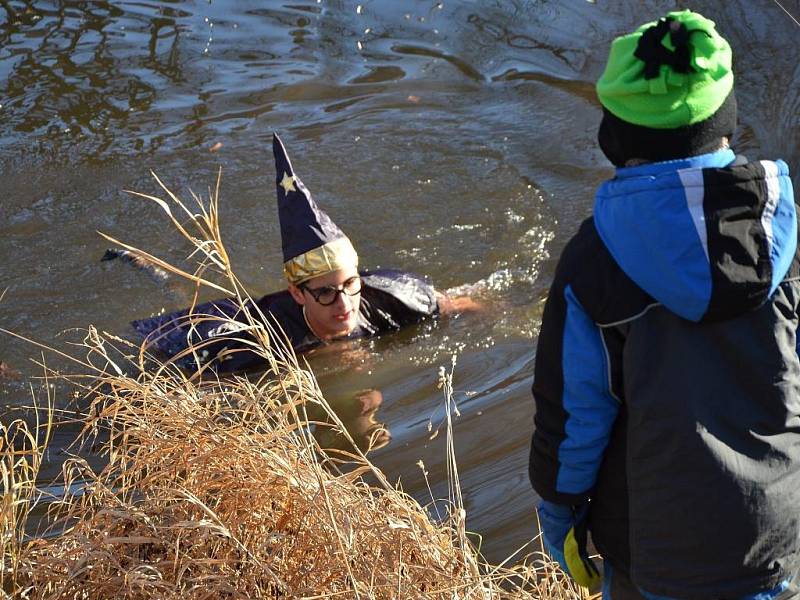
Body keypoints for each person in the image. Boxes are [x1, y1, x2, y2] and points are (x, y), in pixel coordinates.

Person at [528, 10, 800, 600]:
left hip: (654, 556)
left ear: (615, 136)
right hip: (783, 540)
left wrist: (560, 514)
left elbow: (576, 417)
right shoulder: (786, 236)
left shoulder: (594, 262)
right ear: (726, 120)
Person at [132, 134, 477, 373]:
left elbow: (463, 304)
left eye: (350, 285)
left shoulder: (395, 299)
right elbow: (169, 364)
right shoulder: (254, 342)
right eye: (326, 292)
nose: (344, 305)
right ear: (297, 292)